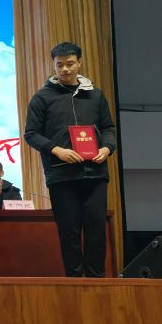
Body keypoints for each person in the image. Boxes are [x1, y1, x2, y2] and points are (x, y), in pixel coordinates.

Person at [24, 42, 117, 278]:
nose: (65, 69)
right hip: (61, 174)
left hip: (95, 173)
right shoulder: (42, 97)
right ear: (53, 66)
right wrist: (56, 150)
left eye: (70, 64)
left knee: (96, 230)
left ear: (79, 63)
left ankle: (96, 281)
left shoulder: (95, 95)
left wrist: (107, 148)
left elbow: (108, 128)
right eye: (59, 65)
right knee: (69, 232)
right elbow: (31, 134)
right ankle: (74, 282)